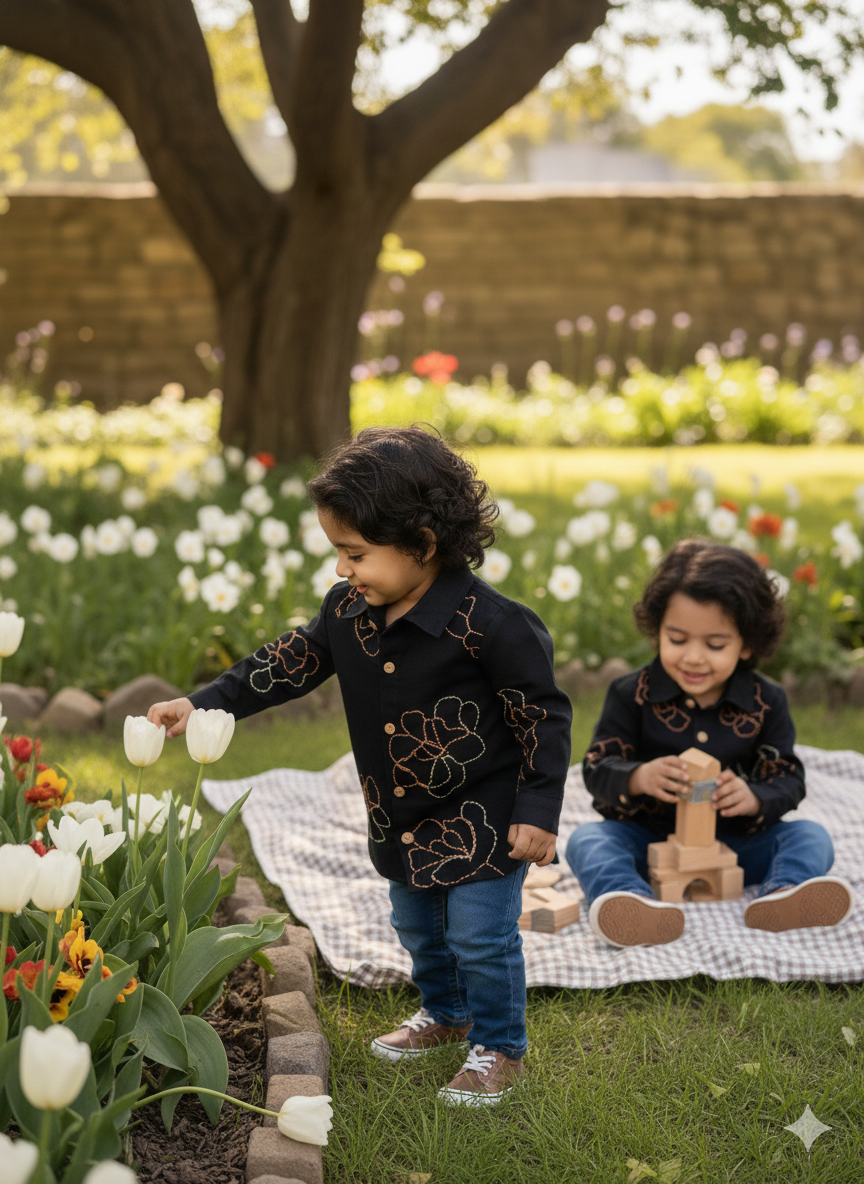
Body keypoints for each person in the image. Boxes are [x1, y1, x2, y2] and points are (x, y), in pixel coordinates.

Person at [148, 426, 572, 1105]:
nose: (344, 569)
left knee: (479, 933)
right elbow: (285, 667)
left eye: (356, 553)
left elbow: (542, 718)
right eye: (338, 552)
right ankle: (446, 1010)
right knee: (416, 924)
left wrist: (537, 811)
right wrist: (200, 706)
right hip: (398, 812)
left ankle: (498, 1044)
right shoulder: (348, 611)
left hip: (484, 811)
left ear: (424, 546)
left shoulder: (492, 625)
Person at [566, 539, 854, 948]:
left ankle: (783, 897)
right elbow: (597, 767)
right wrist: (639, 777)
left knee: (811, 837)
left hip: (735, 845)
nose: (694, 657)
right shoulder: (631, 693)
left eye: (715, 645)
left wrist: (754, 798)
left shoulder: (765, 701)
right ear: (657, 630)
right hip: (645, 841)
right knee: (587, 841)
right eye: (677, 639)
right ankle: (629, 902)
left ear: (748, 644)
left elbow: (788, 776)